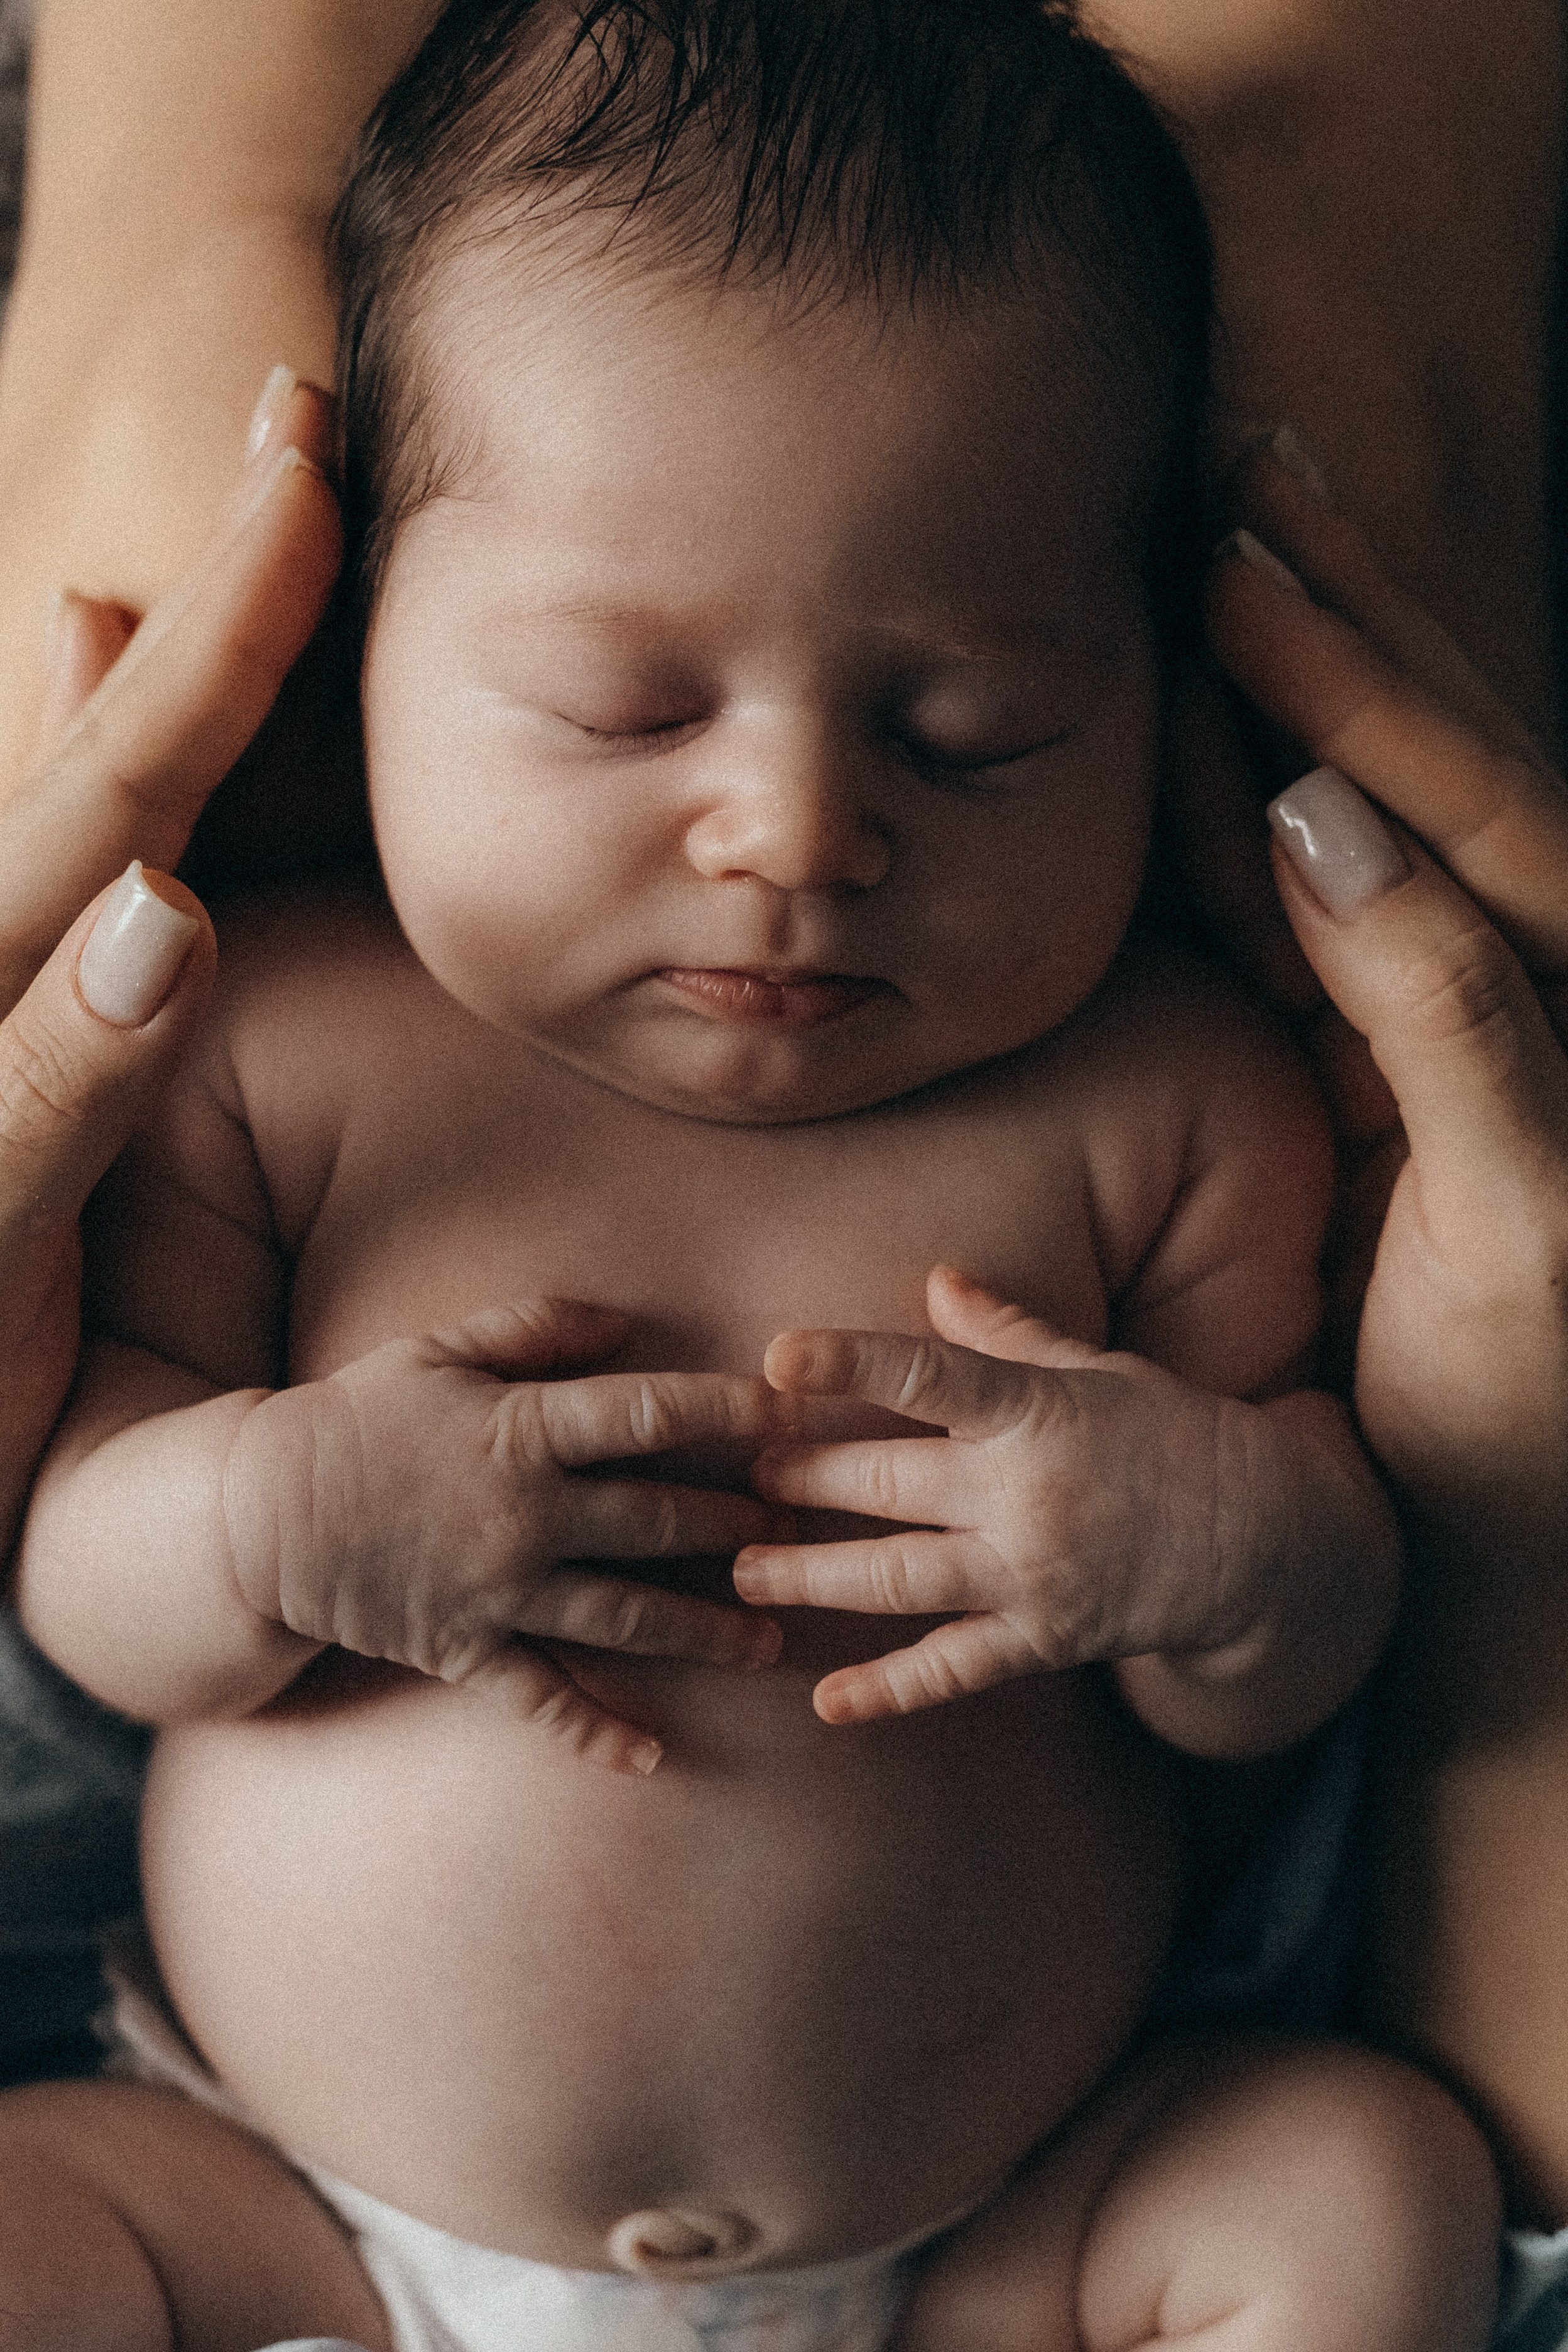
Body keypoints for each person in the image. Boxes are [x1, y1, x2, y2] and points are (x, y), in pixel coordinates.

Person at [0, 6, 1504, 2348]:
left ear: (1145, 676)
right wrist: (274, 1522)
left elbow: (1295, 1664)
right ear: (352, 637)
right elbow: (89, 1591)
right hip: (282, 2219)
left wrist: (1204, 1543)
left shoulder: (1176, 1100)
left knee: (1351, 2188)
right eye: (623, 707)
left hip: (1001, 2244)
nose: (798, 836)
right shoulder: (278, 1047)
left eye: (978, 731)